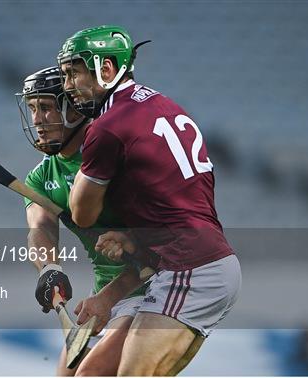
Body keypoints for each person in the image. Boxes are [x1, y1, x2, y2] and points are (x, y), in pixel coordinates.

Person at [58, 25, 242, 376]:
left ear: (106, 69)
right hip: (196, 261)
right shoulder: (163, 104)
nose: (68, 86)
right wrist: (135, 236)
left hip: (191, 268)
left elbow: (82, 213)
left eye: (74, 72)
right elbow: (175, 197)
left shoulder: (107, 126)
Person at [15, 66, 147, 376]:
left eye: (46, 108)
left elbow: (162, 236)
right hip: (103, 293)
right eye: (32, 108)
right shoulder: (41, 176)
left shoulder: (114, 154)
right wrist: (49, 269)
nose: (36, 120)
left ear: (75, 108)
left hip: (151, 287)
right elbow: (41, 227)